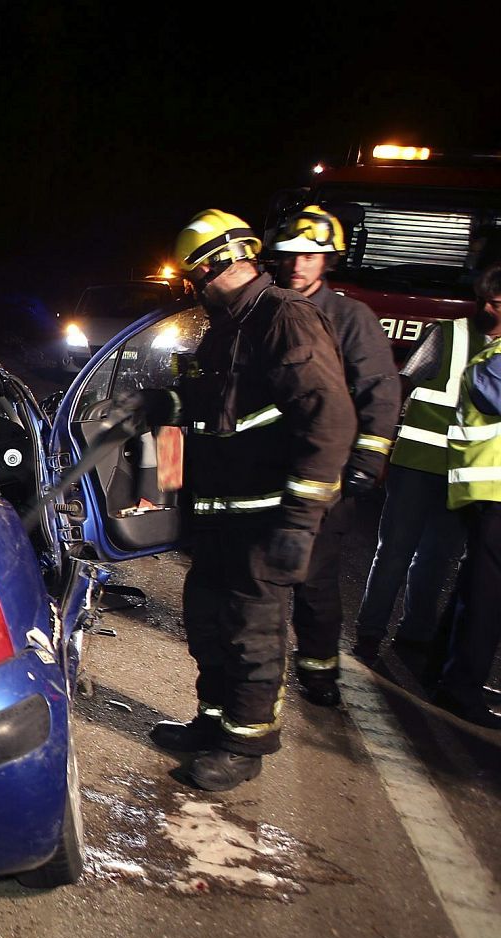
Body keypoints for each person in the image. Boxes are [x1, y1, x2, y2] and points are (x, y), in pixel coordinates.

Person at [141, 209, 355, 791]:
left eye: (195, 278)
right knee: (207, 622)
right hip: (217, 515)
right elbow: (215, 418)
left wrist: (301, 519)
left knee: (251, 630)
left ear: (219, 264)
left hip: (264, 517)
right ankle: (212, 720)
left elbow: (329, 421)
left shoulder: (284, 320)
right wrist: (166, 417)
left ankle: (244, 742)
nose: (194, 291)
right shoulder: (227, 327)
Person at [270, 206, 400, 705]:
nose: (299, 264)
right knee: (262, 576)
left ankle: (318, 671)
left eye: (311, 255)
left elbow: (379, 392)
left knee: (314, 580)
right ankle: (264, 674)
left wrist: (367, 461)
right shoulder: (271, 309)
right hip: (267, 470)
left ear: (328, 261)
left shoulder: (350, 318)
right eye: (291, 255)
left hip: (326, 475)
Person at [351, 286, 500, 663]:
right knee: (394, 552)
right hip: (416, 462)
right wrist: (380, 445)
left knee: (437, 557)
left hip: (462, 472)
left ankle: (414, 635)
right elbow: (402, 386)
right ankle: (370, 633)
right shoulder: (447, 334)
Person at [431, 266, 501, 729]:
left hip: (487, 489)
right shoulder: (493, 361)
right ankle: (461, 689)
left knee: (475, 591)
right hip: (495, 490)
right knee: (487, 598)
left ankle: (449, 674)